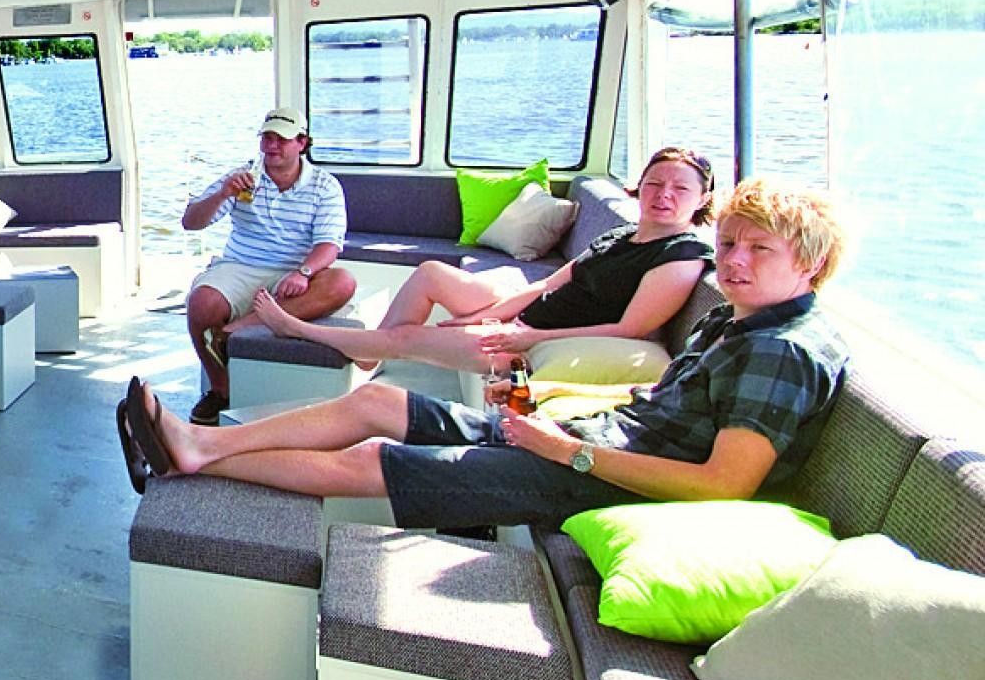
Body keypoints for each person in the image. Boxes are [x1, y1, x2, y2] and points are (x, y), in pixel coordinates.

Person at [118, 180, 850, 532]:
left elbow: (723, 485)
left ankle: (194, 454)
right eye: (730, 244)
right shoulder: (737, 321)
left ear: (811, 266)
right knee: (376, 400)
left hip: (593, 479)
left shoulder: (779, 353)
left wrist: (568, 452)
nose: (735, 261)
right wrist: (553, 411)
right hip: (584, 438)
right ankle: (203, 442)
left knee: (373, 458)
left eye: (760, 250)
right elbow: (661, 411)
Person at [248, 147, 718, 375]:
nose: (664, 195)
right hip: (531, 316)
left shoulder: (681, 256)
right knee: (431, 272)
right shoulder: (620, 236)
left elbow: (630, 330)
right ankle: (372, 351)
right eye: (655, 184)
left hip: (539, 341)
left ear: (701, 200)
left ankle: (297, 328)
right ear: (639, 187)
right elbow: (544, 286)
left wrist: (527, 336)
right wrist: (479, 317)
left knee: (408, 337)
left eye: (680, 189)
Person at [177, 106, 358, 424]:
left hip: (295, 270)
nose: (272, 146)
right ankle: (221, 390)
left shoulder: (324, 185)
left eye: (281, 139)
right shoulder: (241, 178)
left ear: (302, 143)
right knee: (201, 302)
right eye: (267, 138)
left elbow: (329, 245)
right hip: (240, 266)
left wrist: (303, 272)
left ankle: (230, 332)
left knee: (343, 282)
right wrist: (223, 194)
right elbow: (190, 223)